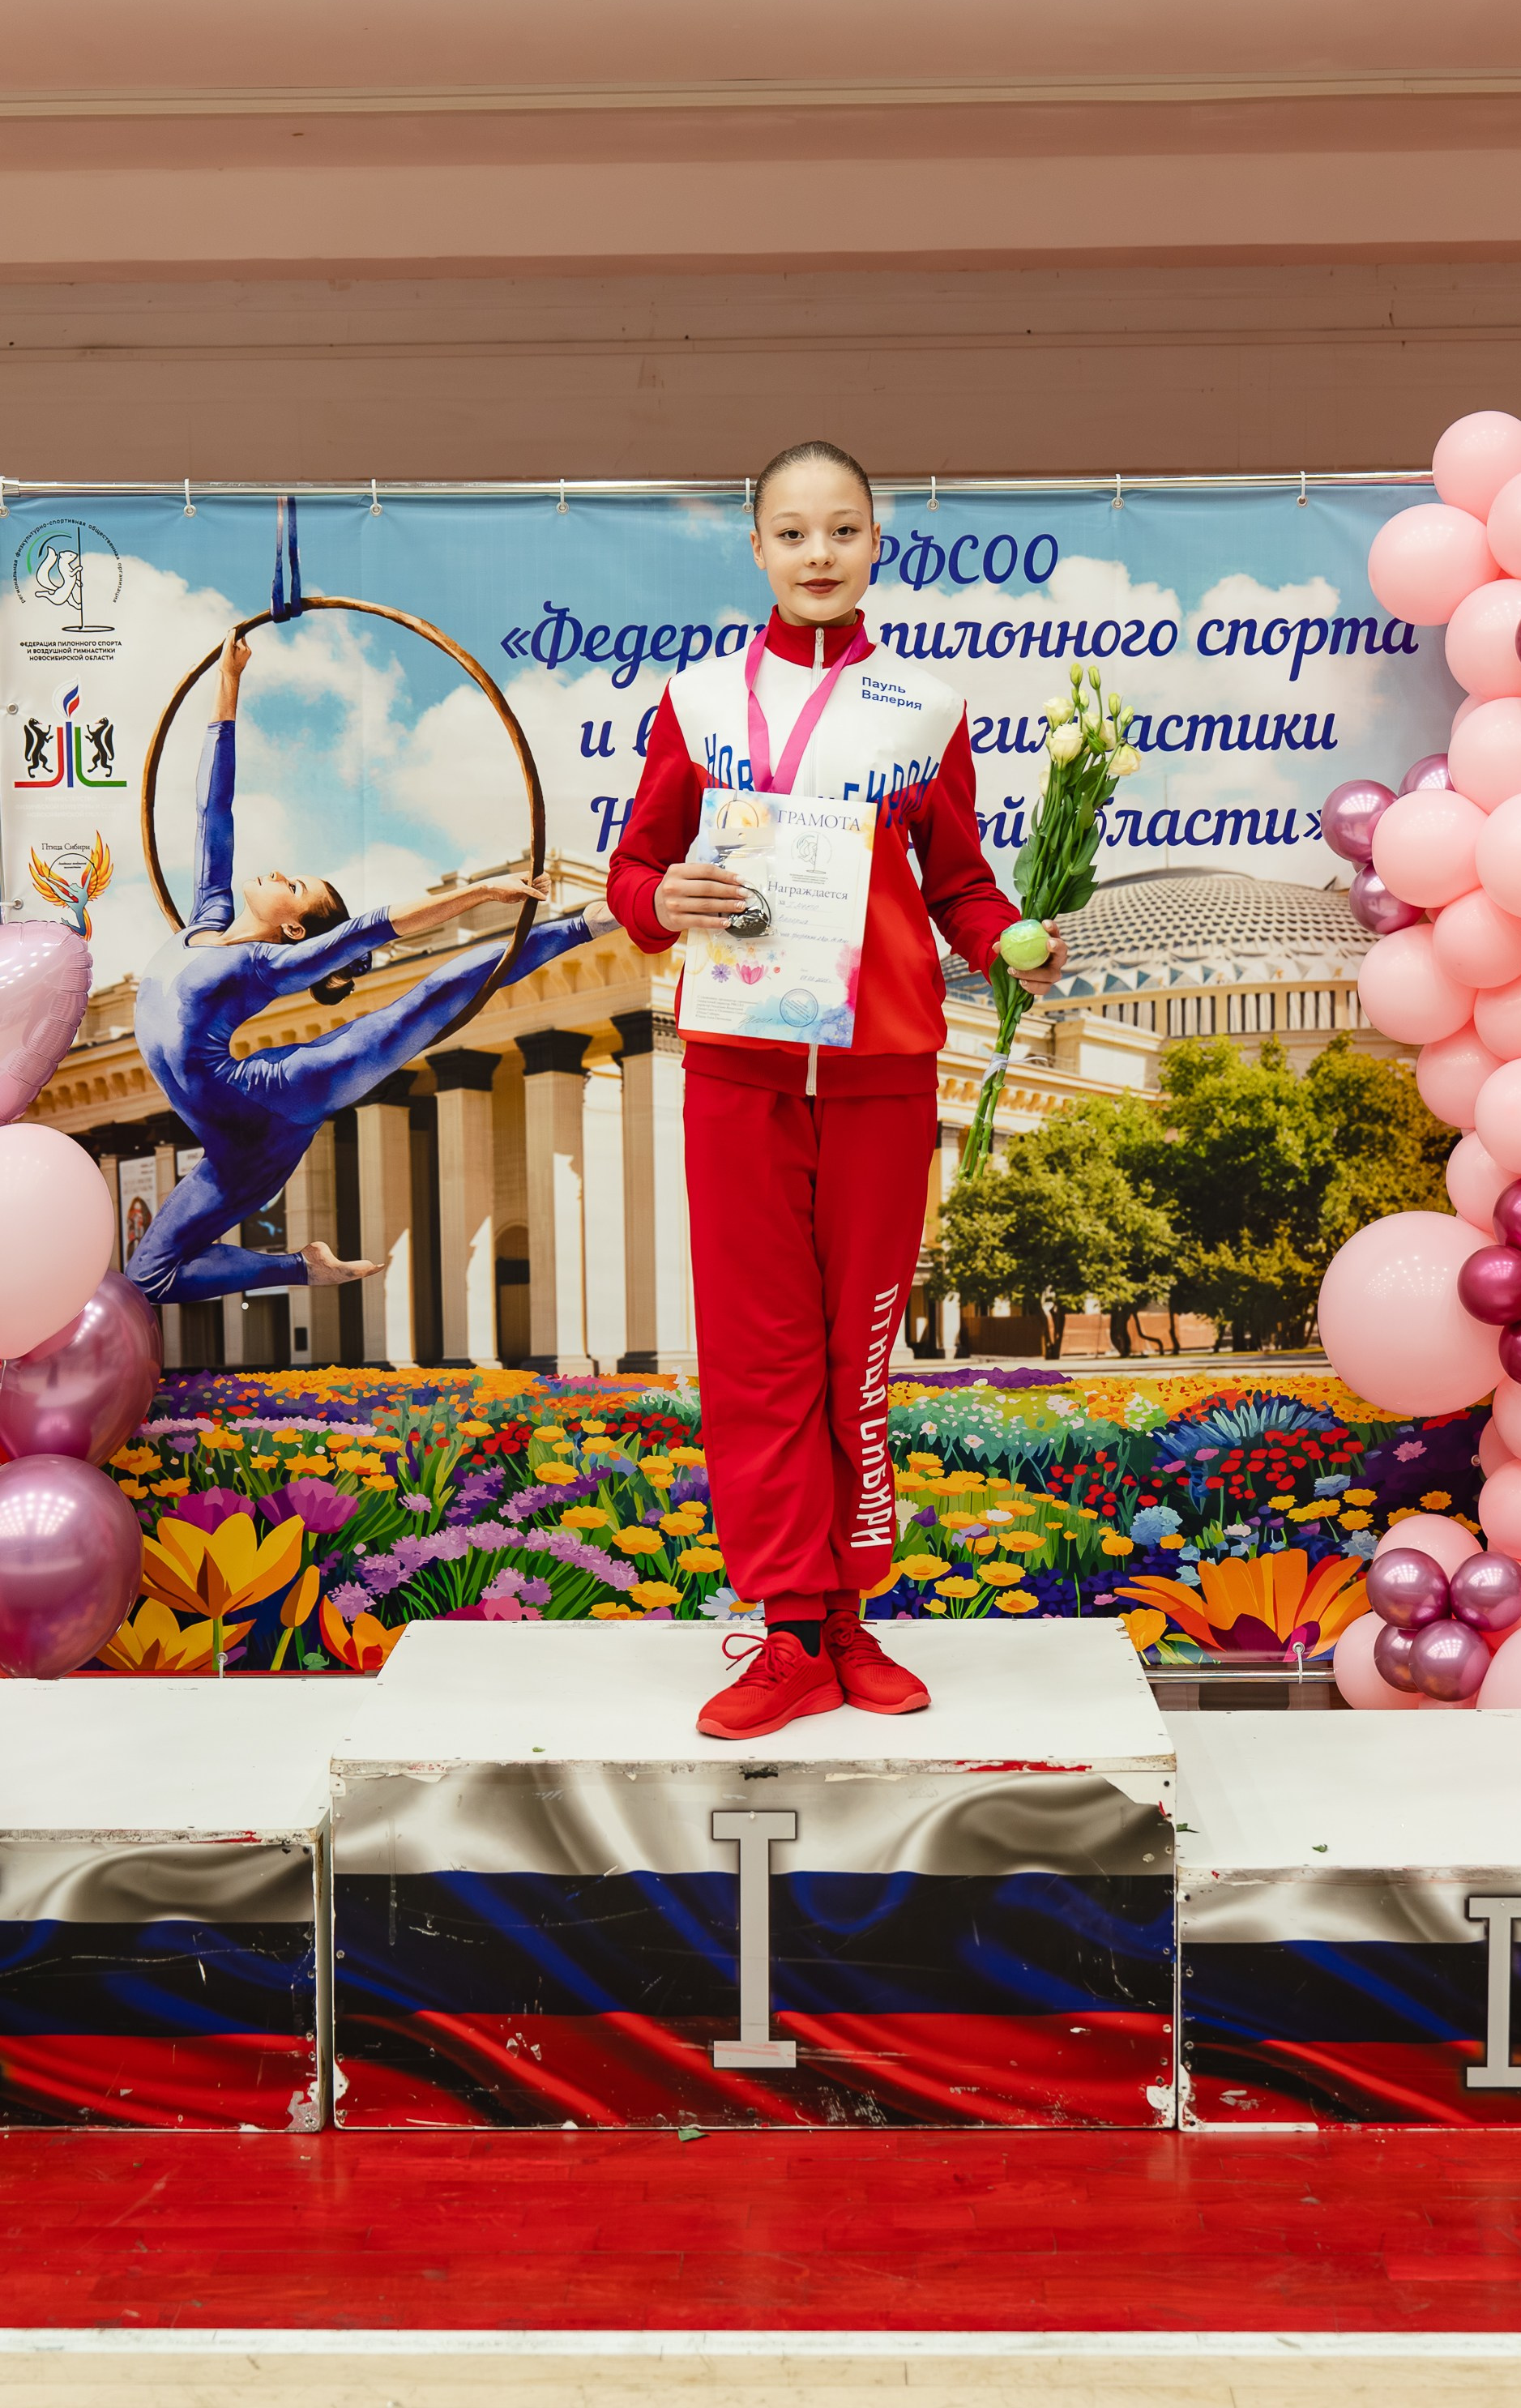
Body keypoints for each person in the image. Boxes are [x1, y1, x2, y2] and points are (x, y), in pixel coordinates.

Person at [608, 440, 1064, 1739]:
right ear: (756, 549)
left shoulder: (924, 710)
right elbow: (635, 877)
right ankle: (788, 1632)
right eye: (793, 533)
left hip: (880, 1070)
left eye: (843, 531)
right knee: (758, 1359)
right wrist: (664, 898)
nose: (819, 554)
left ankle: (850, 1620)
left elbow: (961, 882)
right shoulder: (697, 702)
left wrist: (1008, 938)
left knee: (855, 1358)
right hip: (740, 1070)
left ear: (877, 546)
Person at [129, 626, 616, 1308]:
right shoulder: (206, 916)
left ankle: (590, 922)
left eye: (294, 885)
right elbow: (215, 809)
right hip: (231, 1152)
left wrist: (479, 892)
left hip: (273, 1094)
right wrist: (230, 682)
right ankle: (305, 1267)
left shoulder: (268, 964)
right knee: (147, 1277)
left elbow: (372, 927)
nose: (279, 872)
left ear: (294, 927)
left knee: (418, 1010)